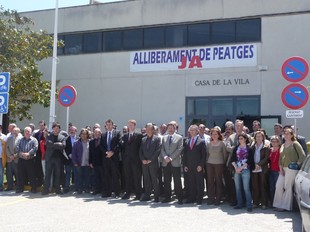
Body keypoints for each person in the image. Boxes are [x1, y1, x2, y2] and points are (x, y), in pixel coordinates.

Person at [273, 128, 306, 211]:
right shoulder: (283, 145)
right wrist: (280, 169)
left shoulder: (295, 143)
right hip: (282, 168)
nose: (286, 135)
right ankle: (278, 204)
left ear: (292, 135)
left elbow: (302, 156)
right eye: (285, 134)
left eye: (288, 134)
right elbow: (280, 158)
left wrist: (296, 164)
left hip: (291, 169)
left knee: (288, 187)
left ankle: (285, 206)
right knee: (278, 186)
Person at [160, 122, 183, 204]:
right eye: (169, 128)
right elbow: (162, 149)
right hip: (165, 162)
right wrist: (165, 157)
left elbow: (179, 149)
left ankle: (180, 198)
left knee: (177, 180)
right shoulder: (164, 137)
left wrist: (171, 157)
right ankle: (167, 197)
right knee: (166, 180)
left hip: (175, 162)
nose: (170, 129)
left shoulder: (179, 137)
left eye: (172, 128)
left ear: (175, 128)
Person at [183, 124, 206, 205]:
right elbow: (185, 154)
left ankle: (199, 198)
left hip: (198, 166)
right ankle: (191, 198)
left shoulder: (202, 141)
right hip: (189, 166)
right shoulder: (187, 141)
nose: (192, 132)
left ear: (197, 131)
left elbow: (204, 155)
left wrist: (201, 165)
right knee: (191, 182)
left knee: (199, 183)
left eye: (193, 130)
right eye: (191, 130)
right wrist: (185, 165)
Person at [231, 132, 254, 212]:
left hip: (246, 170)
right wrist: (236, 168)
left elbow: (250, 160)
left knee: (246, 188)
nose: (240, 140)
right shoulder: (236, 148)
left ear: (245, 139)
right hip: (236, 169)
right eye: (239, 138)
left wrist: (241, 167)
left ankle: (249, 205)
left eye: (241, 138)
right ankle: (239, 204)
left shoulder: (249, 149)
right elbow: (232, 159)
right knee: (237, 188)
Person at [120, 119, 143, 200]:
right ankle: (128, 193)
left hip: (136, 161)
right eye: (129, 125)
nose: (130, 126)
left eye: (132, 125)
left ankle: (138, 195)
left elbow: (141, 148)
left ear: (134, 126)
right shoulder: (125, 136)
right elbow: (123, 148)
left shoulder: (139, 135)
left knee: (137, 178)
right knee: (128, 177)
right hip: (127, 161)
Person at [139, 123, 162, 202]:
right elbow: (140, 151)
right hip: (144, 163)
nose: (148, 131)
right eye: (147, 129)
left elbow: (158, 151)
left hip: (153, 163)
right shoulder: (143, 139)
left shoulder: (157, 139)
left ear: (153, 130)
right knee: (146, 179)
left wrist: (151, 160)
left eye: (150, 129)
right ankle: (147, 195)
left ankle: (156, 196)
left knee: (154, 180)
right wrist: (143, 159)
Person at [42, 122, 66, 195]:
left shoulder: (62, 137)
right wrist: (57, 144)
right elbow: (48, 144)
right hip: (49, 158)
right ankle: (46, 190)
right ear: (52, 129)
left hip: (58, 158)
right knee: (48, 174)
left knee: (58, 174)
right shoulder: (49, 136)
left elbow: (63, 146)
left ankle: (58, 190)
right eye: (54, 128)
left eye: (57, 128)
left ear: (59, 129)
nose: (56, 130)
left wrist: (53, 145)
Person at [100, 119, 121, 198]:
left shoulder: (117, 133)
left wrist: (112, 152)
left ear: (112, 125)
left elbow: (119, 144)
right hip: (106, 158)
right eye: (107, 125)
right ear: (105, 126)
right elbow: (101, 146)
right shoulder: (103, 135)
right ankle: (107, 192)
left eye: (110, 124)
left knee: (115, 175)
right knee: (106, 175)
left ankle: (117, 193)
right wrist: (106, 152)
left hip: (114, 157)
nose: (108, 126)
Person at [206, 128, 227, 205]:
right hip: (210, 164)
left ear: (219, 135)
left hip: (219, 164)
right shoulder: (208, 143)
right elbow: (207, 154)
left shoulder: (222, 143)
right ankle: (210, 199)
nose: (214, 135)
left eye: (216, 134)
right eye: (212, 134)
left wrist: (222, 163)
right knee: (210, 182)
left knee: (218, 181)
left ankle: (218, 199)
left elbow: (225, 155)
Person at [15, 127, 38, 193]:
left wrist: (28, 154)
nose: (27, 132)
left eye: (28, 131)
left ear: (31, 132)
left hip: (30, 160)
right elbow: (17, 147)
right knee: (20, 175)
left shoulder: (34, 140)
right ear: (24, 132)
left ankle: (33, 188)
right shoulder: (20, 139)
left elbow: (35, 148)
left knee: (32, 175)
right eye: (26, 131)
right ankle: (20, 188)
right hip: (21, 160)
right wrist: (22, 154)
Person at [251, 131, 270, 209]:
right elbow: (250, 156)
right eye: (257, 136)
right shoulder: (252, 146)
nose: (258, 138)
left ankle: (264, 203)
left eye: (260, 136)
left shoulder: (266, 146)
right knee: (255, 186)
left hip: (262, 168)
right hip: (254, 168)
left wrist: (259, 164)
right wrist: (254, 165)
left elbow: (266, 158)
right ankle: (255, 202)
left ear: (263, 138)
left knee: (263, 186)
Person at [72, 128, 91, 194]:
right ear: (80, 134)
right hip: (79, 163)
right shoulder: (76, 143)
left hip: (87, 163)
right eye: (82, 134)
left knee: (87, 177)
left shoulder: (90, 142)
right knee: (79, 177)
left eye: (85, 134)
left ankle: (86, 188)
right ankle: (80, 189)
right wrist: (74, 162)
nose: (83, 135)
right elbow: (73, 154)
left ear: (87, 135)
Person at [89, 128, 104, 195]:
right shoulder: (91, 142)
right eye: (95, 132)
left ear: (100, 133)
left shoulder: (103, 141)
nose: (96, 134)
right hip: (94, 162)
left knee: (103, 176)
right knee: (96, 177)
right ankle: (97, 189)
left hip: (102, 162)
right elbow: (90, 153)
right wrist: (90, 162)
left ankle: (103, 190)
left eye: (97, 132)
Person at [64, 126, 78, 193]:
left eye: (73, 130)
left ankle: (76, 187)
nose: (72, 131)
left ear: (76, 131)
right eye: (70, 130)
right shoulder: (66, 139)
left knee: (76, 174)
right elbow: (64, 149)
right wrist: (69, 154)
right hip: (68, 160)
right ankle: (67, 187)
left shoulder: (78, 139)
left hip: (76, 160)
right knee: (68, 174)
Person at [268, 135, 281, 205]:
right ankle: (273, 203)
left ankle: (278, 203)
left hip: (278, 171)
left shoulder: (281, 149)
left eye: (275, 141)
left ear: (279, 142)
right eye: (272, 141)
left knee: (277, 188)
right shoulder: (270, 150)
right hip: (271, 171)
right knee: (271, 188)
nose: (274, 143)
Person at [33, 120, 46, 189]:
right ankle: (39, 182)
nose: (41, 126)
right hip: (37, 154)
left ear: (44, 126)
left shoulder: (46, 133)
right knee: (38, 168)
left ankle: (45, 182)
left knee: (44, 169)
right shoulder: (36, 133)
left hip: (44, 153)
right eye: (40, 125)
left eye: (42, 125)